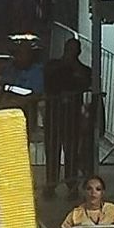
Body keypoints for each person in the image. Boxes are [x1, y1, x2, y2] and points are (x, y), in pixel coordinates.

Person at [43, 36, 94, 194]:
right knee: (52, 149)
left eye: (73, 50)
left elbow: (85, 82)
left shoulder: (84, 70)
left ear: (78, 52)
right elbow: (48, 81)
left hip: (72, 116)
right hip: (54, 114)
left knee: (71, 151)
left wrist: (74, 68)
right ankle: (51, 183)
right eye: (68, 49)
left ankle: (72, 185)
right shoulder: (53, 66)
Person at [0, 35, 43, 140]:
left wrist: (14, 102)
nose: (18, 57)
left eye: (22, 54)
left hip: (25, 114)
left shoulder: (36, 71)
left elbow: (36, 95)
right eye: (17, 53)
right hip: (5, 114)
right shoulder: (11, 68)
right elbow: (4, 88)